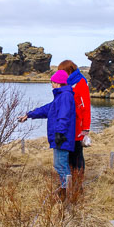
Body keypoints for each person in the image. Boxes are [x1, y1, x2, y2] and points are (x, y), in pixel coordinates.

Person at [19, 70, 76, 198]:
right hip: (60, 136)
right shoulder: (61, 96)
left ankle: (68, 192)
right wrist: (29, 115)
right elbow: (47, 109)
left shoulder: (65, 96)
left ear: (58, 83)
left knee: (60, 164)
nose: (51, 85)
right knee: (59, 164)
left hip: (62, 137)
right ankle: (66, 189)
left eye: (52, 82)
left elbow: (64, 116)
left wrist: (60, 134)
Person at [57, 60, 91, 189]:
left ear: (68, 71)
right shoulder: (68, 83)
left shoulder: (80, 82)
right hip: (69, 125)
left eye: (62, 71)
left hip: (78, 126)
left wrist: (86, 128)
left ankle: (78, 183)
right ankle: (70, 181)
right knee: (69, 153)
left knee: (77, 153)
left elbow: (86, 107)